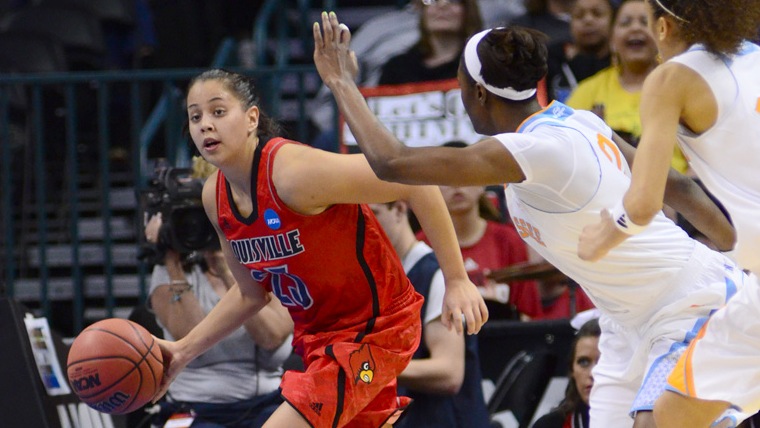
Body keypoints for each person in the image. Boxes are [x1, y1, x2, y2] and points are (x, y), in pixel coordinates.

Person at [313, 13, 747, 427]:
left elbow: (393, 163)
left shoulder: (535, 150)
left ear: (478, 93)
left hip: (687, 301)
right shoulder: (577, 121)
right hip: (625, 324)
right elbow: (680, 189)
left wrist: (340, 81)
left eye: (461, 87)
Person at [152, 61, 488, 428]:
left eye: (218, 111)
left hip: (376, 329)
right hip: (319, 341)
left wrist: (456, 279)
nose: (205, 125)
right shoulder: (214, 198)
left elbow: (415, 182)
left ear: (251, 119)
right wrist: (182, 351)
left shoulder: (293, 173)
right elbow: (251, 294)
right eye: (195, 116)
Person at [575, 0, 760, 426]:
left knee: (671, 418)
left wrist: (604, 235)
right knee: (674, 414)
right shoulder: (753, 57)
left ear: (662, 27)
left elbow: (643, 203)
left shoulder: (669, 79)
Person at [141, 157, 293, 428]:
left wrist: (228, 270)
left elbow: (271, 337)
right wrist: (171, 261)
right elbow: (192, 339)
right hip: (193, 410)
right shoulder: (173, 268)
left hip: (265, 405)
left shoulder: (269, 259)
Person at [370, 200, 490, 428]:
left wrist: (370, 367)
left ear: (399, 210)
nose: (368, 226)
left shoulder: (437, 275)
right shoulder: (380, 277)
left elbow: (449, 372)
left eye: (374, 213)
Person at [415, 142, 541, 321]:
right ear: (431, 188)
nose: (457, 185)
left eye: (465, 174)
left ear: (482, 182)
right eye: (446, 177)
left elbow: (528, 312)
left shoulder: (508, 240)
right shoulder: (421, 246)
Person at [378, 0, 482, 86]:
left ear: (468, 11)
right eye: (433, 0)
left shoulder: (483, 64)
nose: (442, 6)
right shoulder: (396, 68)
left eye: (453, 0)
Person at [532, 317, 601, 428]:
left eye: (602, 362)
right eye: (583, 362)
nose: (592, 373)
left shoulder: (637, 420)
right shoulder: (549, 425)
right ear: (572, 370)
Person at [545, 0, 614, 102]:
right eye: (579, 15)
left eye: (597, 14)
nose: (588, 20)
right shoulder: (553, 59)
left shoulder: (623, 63)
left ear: (614, 20)